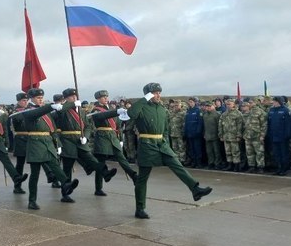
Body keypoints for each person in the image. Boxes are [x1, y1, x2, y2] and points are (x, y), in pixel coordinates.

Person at [126, 83, 213, 219]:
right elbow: (131, 113)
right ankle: (140, 208)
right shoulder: (142, 107)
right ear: (148, 94)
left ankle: (195, 189)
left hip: (162, 144)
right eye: (155, 93)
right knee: (143, 178)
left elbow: (165, 128)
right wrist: (145, 98)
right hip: (147, 145)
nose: (158, 95)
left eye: (159, 92)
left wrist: (166, 141)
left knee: (177, 164)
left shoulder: (161, 109)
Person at [13, 88, 79, 209]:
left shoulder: (45, 111)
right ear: (31, 99)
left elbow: (52, 128)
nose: (40, 99)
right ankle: (32, 200)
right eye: (38, 98)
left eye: (41, 98)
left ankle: (66, 184)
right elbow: (35, 114)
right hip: (35, 144)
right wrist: (50, 106)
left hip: (47, 143)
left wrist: (57, 144)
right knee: (35, 174)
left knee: (55, 165)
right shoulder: (28, 110)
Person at [57, 88, 117, 194]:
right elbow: (60, 111)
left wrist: (86, 137)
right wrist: (71, 104)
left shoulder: (80, 110)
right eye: (71, 96)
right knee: (68, 167)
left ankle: (105, 173)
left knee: (91, 159)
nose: (74, 98)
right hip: (67, 140)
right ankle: (66, 192)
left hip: (80, 140)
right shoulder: (63, 108)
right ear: (66, 98)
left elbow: (88, 126)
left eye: (75, 96)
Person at [87, 90, 138, 196]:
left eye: (106, 96)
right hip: (102, 136)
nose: (106, 98)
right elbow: (101, 116)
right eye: (103, 97)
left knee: (121, 157)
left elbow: (117, 124)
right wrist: (115, 112)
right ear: (98, 99)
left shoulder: (111, 109)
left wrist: (119, 138)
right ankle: (98, 188)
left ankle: (134, 176)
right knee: (101, 162)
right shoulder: (96, 109)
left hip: (113, 136)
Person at [267, 96, 291, 175]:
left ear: (278, 102)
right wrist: (269, 134)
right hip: (274, 136)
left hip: (283, 136)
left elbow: (288, 124)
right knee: (276, 153)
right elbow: (269, 124)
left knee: (284, 153)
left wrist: (287, 135)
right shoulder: (271, 110)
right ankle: (279, 167)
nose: (273, 102)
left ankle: (284, 168)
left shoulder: (285, 110)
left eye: (274, 101)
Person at [218, 98, 244, 171]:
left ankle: (236, 166)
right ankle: (230, 165)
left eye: (230, 104)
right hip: (226, 136)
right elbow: (220, 125)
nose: (228, 106)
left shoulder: (238, 113)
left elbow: (240, 126)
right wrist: (221, 135)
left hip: (234, 136)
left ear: (233, 104)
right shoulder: (224, 114)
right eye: (227, 104)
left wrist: (239, 136)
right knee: (228, 152)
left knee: (235, 152)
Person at [184, 97, 205, 167]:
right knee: (191, 149)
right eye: (189, 102)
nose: (190, 103)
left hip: (196, 134)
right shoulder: (188, 111)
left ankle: (199, 162)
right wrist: (185, 132)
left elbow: (200, 123)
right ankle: (193, 162)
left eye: (191, 102)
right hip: (189, 134)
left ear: (195, 102)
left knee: (197, 148)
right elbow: (186, 123)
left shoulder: (198, 111)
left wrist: (198, 132)